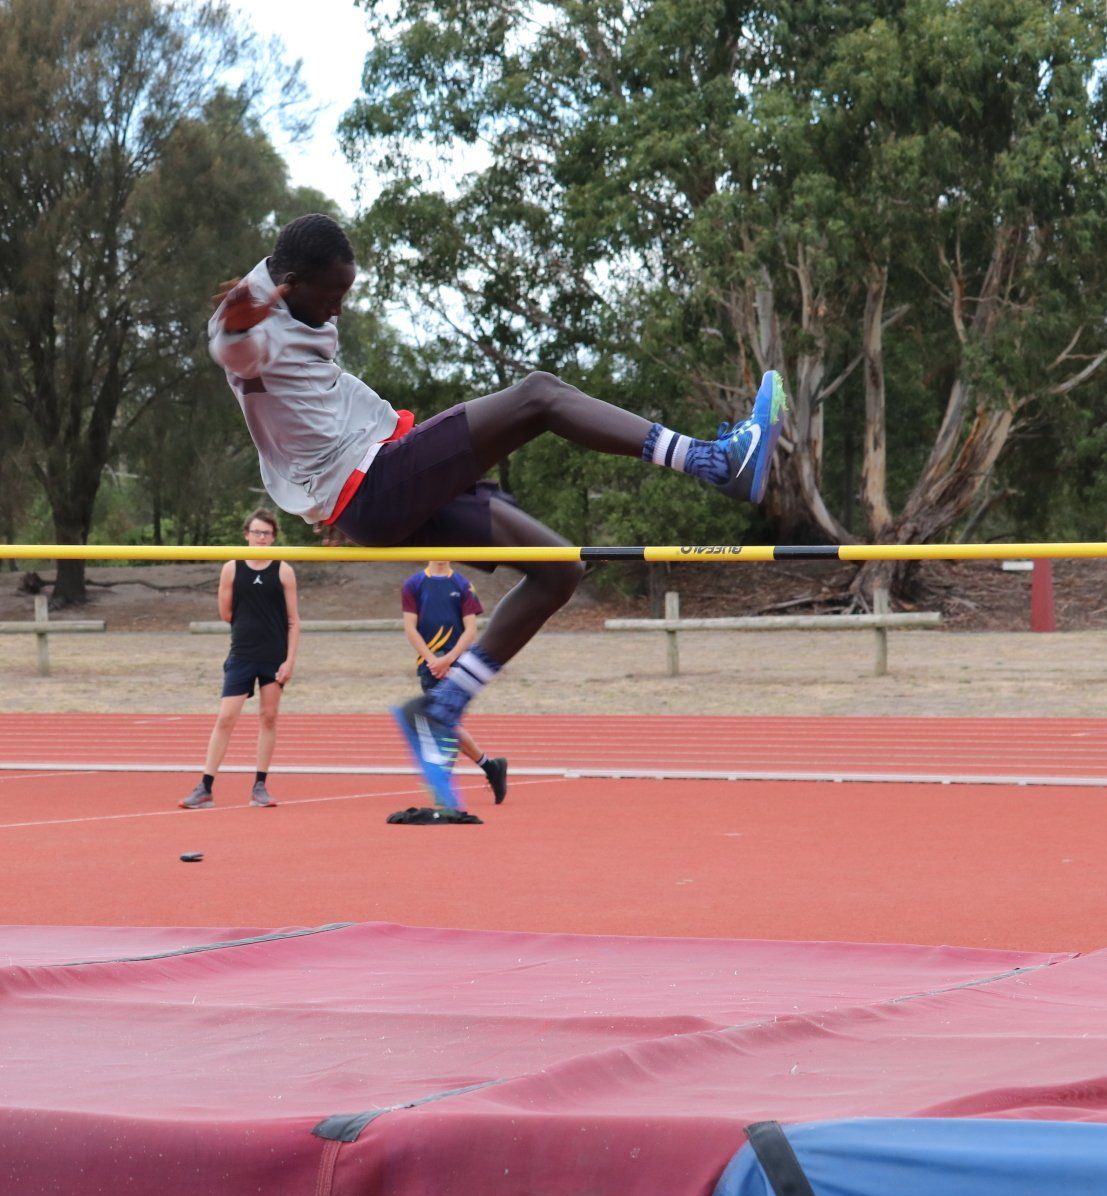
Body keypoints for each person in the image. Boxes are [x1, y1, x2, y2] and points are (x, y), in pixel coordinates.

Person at [207, 213, 784, 809]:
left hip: (377, 478)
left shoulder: (288, 299)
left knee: (560, 569)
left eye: (345, 295)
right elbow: (235, 348)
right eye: (331, 297)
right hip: (370, 483)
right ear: (292, 281)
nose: (338, 310)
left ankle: (443, 707)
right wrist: (237, 329)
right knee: (539, 395)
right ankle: (714, 463)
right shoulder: (250, 327)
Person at [179, 508, 300, 810]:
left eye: (267, 534)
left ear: (274, 538)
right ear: (246, 534)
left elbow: (293, 621)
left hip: (273, 656)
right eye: (257, 532)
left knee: (268, 717)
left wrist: (289, 660)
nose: (261, 538)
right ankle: (205, 787)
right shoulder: (231, 569)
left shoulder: (283, 570)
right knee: (226, 718)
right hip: (243, 654)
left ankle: (260, 785)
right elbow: (226, 613)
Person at [402, 561, 507, 804]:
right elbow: (410, 628)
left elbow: (470, 630)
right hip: (429, 665)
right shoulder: (414, 584)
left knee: (441, 721)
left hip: (456, 665)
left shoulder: (462, 585)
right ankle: (490, 767)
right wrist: (432, 660)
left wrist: (448, 660)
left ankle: (445, 781)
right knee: (444, 722)